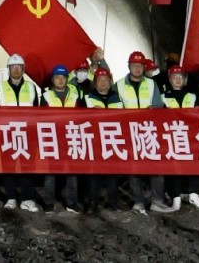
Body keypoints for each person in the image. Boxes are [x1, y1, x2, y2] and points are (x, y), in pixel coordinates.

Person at [118, 51, 174, 214]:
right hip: (129, 132)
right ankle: (139, 201)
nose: (137, 68)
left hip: (149, 131)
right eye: (134, 65)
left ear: (144, 67)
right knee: (133, 169)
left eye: (140, 65)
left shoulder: (151, 84)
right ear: (129, 66)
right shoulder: (119, 85)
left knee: (156, 166)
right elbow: (115, 108)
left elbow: (158, 105)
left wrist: (153, 108)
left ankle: (157, 201)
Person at [0, 54, 41, 212]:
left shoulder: (31, 87)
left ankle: (27, 199)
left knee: (27, 166)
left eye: (18, 67)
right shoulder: (0, 88)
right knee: (8, 166)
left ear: (23, 69)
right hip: (7, 133)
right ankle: (11, 197)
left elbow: (37, 113)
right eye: (13, 67)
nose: (16, 69)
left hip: (27, 133)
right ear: (8, 69)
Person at [161, 65, 199, 209]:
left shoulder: (193, 96)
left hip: (191, 135)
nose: (178, 79)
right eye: (174, 77)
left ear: (185, 79)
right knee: (174, 166)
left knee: (194, 163)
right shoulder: (163, 97)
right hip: (172, 135)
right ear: (170, 79)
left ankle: (194, 193)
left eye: (180, 76)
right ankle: (176, 196)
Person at [41, 64, 82, 214]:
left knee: (72, 172)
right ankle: (49, 203)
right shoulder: (46, 96)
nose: (60, 80)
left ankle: (72, 203)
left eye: (63, 77)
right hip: (52, 138)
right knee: (50, 172)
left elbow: (81, 116)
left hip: (71, 137)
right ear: (53, 80)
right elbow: (41, 118)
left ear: (67, 79)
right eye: (57, 77)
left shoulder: (75, 95)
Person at [83, 67, 121, 213]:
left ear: (110, 82)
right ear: (95, 82)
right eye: (100, 80)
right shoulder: (87, 98)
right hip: (94, 141)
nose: (103, 82)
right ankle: (92, 203)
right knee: (94, 173)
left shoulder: (117, 98)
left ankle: (113, 203)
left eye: (106, 80)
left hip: (112, 139)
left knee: (113, 173)